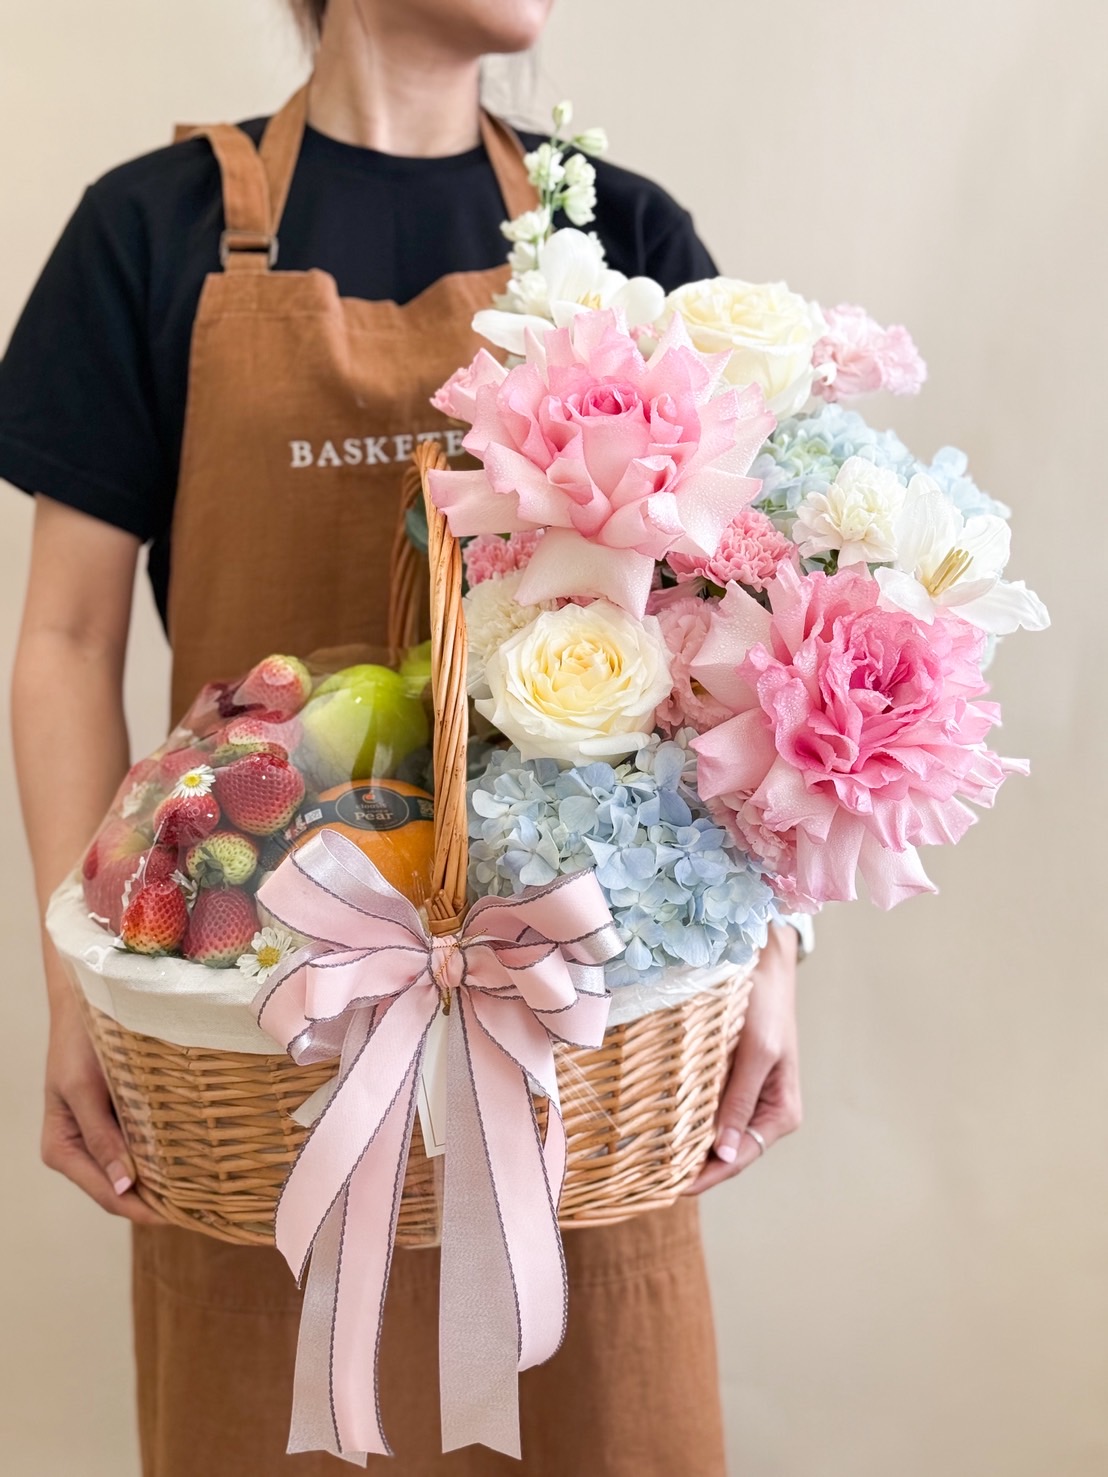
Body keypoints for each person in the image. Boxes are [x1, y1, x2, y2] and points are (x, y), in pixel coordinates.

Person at [2, 2, 802, 1472]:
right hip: (257, 1062)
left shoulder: (617, 237)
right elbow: (63, 640)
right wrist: (78, 978)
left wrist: (770, 958)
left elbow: (732, 652)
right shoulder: (151, 233)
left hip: (575, 1061)